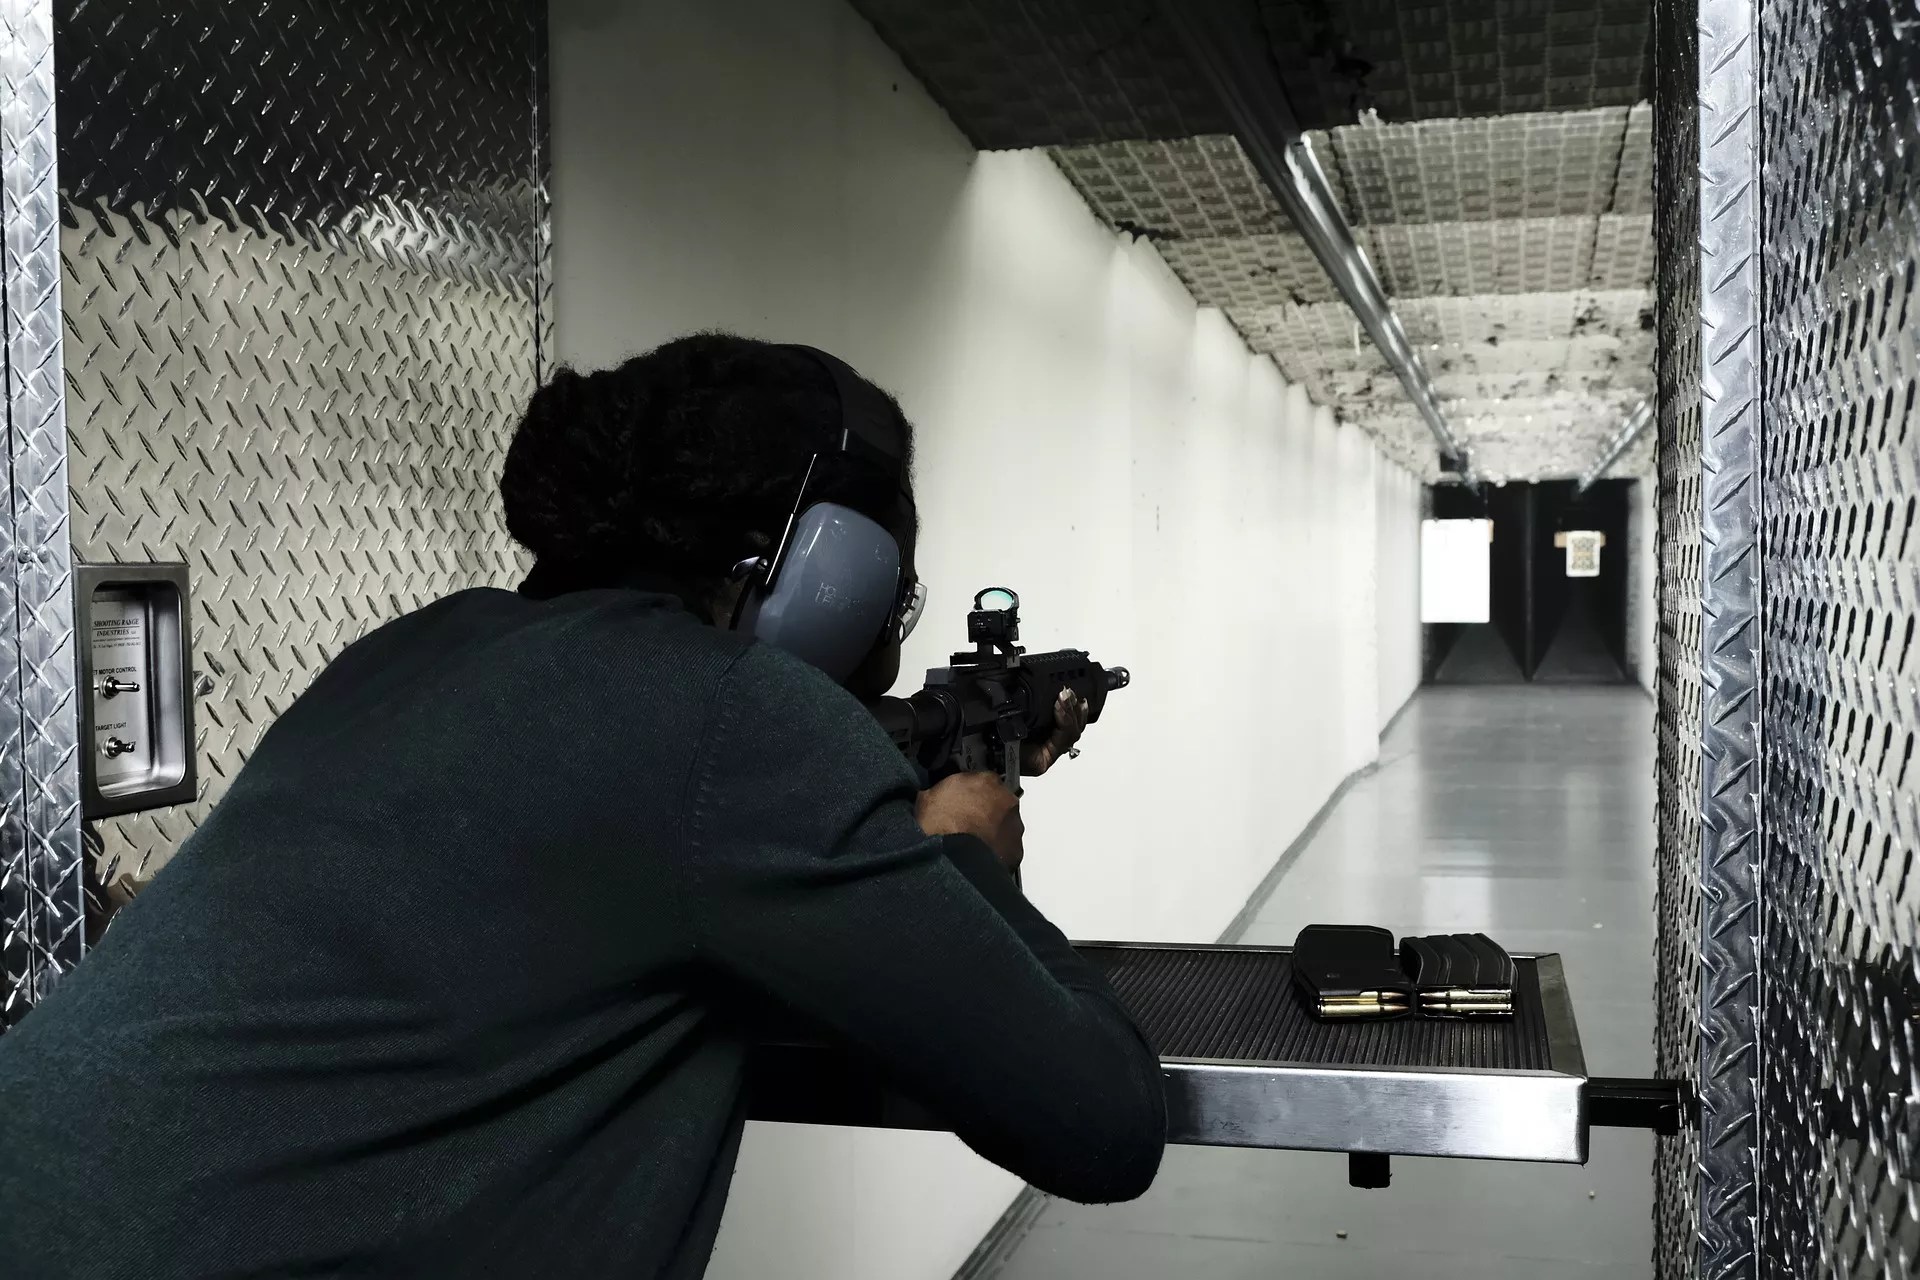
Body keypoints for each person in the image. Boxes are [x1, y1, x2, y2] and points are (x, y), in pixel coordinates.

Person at [0, 333, 1167, 1278]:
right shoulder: (735, 716)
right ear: (834, 572)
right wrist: (965, 858)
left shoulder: (415, 648)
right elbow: (1103, 1121)